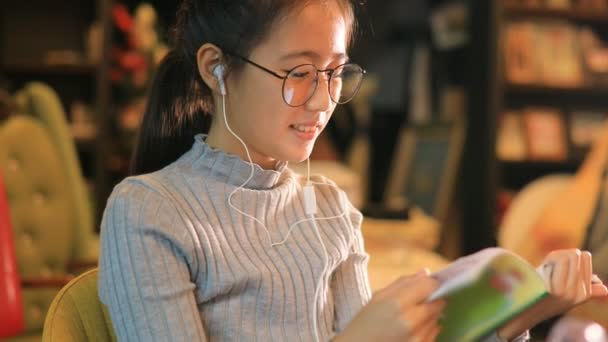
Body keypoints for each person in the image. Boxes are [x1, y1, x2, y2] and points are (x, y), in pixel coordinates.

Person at [97, 1, 608, 341]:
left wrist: (516, 318)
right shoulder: (149, 211)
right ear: (216, 68)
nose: (324, 101)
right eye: (299, 73)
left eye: (335, 72)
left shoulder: (330, 210)